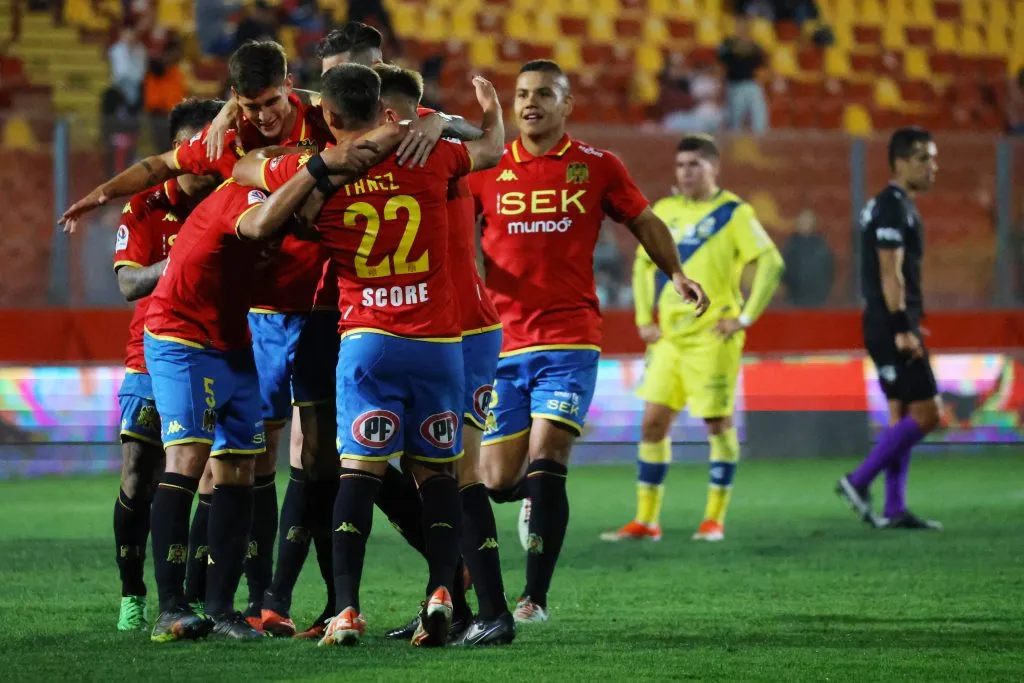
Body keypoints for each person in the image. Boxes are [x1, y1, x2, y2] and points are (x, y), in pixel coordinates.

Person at [232, 63, 505, 647]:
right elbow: (492, 149)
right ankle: (441, 592)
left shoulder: (318, 179)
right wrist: (475, 113)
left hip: (367, 340)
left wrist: (312, 167)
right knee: (437, 473)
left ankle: (348, 610)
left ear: (327, 117)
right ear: (384, 111)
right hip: (437, 343)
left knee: (359, 472)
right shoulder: (429, 156)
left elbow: (250, 182)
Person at [468, 59, 709, 624]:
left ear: (566, 104)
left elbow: (645, 220)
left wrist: (674, 272)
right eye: (523, 94)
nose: (531, 103)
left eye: (545, 94)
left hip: (570, 337)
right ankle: (530, 498)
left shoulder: (597, 167)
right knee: (498, 481)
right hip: (500, 342)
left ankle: (533, 599)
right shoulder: (486, 165)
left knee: (550, 457)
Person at [143, 120, 383, 643]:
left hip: (233, 344)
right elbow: (257, 228)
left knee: (239, 471)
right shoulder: (243, 196)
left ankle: (223, 609)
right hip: (180, 337)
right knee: (187, 460)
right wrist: (318, 167)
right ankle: (169, 607)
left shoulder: (283, 206)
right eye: (296, 169)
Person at [601, 134, 784, 544]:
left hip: (712, 337)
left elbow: (771, 261)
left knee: (717, 423)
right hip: (668, 339)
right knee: (652, 425)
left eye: (694, 165)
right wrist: (643, 316)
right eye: (680, 165)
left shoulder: (734, 212)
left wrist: (745, 316)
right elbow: (643, 268)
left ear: (713, 168)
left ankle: (713, 520)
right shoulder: (663, 210)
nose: (685, 172)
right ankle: (647, 521)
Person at [110, 98, 222, 632]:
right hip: (150, 357)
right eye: (191, 148)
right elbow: (129, 283)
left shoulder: (237, 199)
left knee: (210, 478)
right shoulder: (147, 207)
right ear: (176, 152)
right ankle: (133, 591)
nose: (204, 158)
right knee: (139, 476)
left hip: (220, 351)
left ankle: (191, 599)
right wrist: (186, 257)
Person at [836, 126, 943, 531]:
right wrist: (902, 327)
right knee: (929, 413)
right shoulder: (892, 207)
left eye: (933, 158)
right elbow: (889, 272)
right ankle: (857, 480)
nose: (933, 167)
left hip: (888, 322)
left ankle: (895, 508)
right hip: (888, 325)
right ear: (899, 163)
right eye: (923, 159)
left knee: (901, 413)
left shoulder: (892, 205)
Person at [717, 18, 768, 134]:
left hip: (751, 84)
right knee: (735, 118)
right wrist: (722, 85)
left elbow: (762, 63)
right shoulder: (728, 44)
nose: (741, 29)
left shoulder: (754, 45)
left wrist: (760, 80)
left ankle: (760, 138)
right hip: (735, 85)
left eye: (744, 27)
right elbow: (721, 66)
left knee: (759, 113)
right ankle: (733, 143)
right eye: (739, 27)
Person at [781, 208, 834, 308]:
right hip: (795, 300)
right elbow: (784, 270)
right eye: (802, 221)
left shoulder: (821, 245)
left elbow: (829, 270)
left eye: (808, 221)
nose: (805, 224)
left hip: (818, 300)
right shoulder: (790, 245)